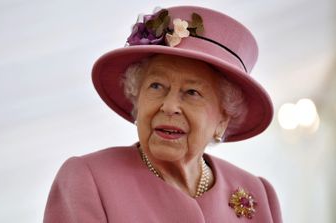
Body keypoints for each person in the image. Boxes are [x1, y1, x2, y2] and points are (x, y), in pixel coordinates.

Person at [44, 5, 282, 223]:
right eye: (156, 86)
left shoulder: (257, 193)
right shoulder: (89, 179)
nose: (169, 106)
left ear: (222, 119)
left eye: (191, 92)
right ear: (137, 99)